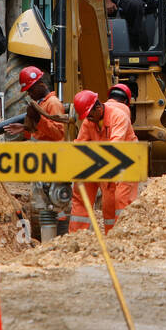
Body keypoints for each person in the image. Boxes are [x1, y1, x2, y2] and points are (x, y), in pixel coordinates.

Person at [70, 85, 140, 232]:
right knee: (107, 205)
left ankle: (125, 236)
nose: (88, 119)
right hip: (105, 161)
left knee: (121, 199)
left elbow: (115, 147)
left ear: (98, 107)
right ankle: (83, 235)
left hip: (127, 161)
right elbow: (80, 146)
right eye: (86, 117)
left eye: (89, 115)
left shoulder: (118, 117)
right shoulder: (90, 121)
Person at [4, 66, 68, 141]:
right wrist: (25, 127)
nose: (29, 94)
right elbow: (39, 134)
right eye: (28, 91)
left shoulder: (53, 102)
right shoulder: (41, 104)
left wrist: (38, 119)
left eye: (31, 90)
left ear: (40, 84)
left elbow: (59, 135)